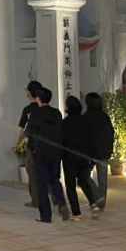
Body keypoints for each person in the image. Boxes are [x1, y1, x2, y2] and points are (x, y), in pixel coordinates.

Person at [26, 88, 71, 223]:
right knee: (54, 179)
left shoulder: (35, 113)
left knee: (42, 184)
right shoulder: (56, 112)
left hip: (40, 152)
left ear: (38, 98)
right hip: (55, 151)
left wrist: (32, 148)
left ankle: (46, 216)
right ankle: (62, 203)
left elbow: (30, 133)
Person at [61, 96, 99, 220]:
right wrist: (92, 157)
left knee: (71, 186)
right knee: (83, 181)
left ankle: (76, 213)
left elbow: (61, 141)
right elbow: (92, 140)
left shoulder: (65, 123)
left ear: (68, 107)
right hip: (84, 157)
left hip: (69, 158)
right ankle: (93, 204)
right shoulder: (86, 121)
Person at [84, 92, 114, 209]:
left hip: (90, 153)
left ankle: (97, 196)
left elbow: (85, 136)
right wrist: (110, 149)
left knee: (84, 175)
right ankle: (102, 201)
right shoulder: (104, 116)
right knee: (103, 179)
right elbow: (111, 133)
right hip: (104, 152)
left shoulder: (86, 116)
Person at [17, 81, 43, 208]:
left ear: (30, 92)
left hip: (32, 146)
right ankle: (55, 199)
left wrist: (18, 143)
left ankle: (36, 201)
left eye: (27, 91)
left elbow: (22, 129)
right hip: (46, 146)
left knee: (32, 173)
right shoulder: (47, 109)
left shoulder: (27, 110)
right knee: (46, 172)